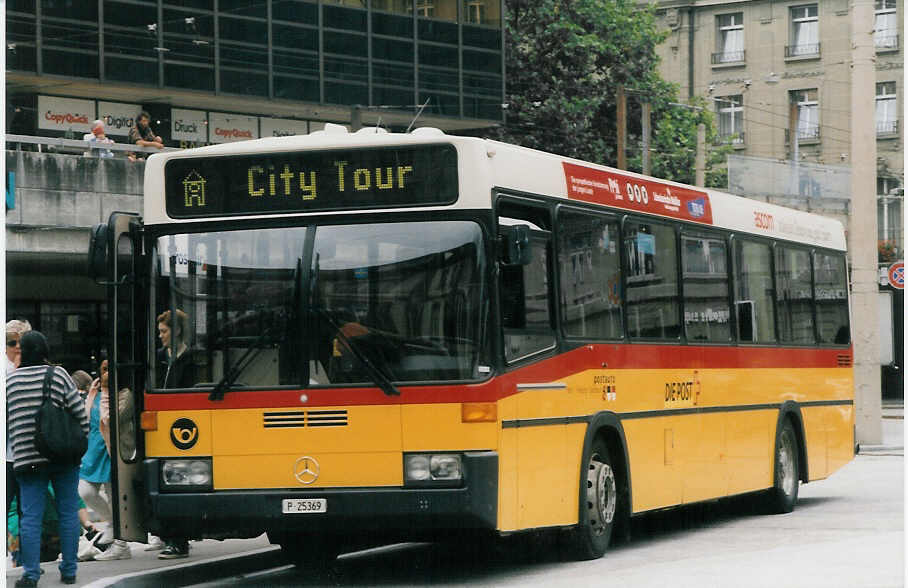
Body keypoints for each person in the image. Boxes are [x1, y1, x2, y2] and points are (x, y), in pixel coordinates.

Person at [6, 331, 88, 586]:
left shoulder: (10, 382)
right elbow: (80, 415)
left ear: (23, 352)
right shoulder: (58, 375)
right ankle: (69, 570)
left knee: (30, 516)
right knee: (67, 512)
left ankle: (30, 574)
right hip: (63, 457)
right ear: (45, 351)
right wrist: (75, 446)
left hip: (27, 459)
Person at [77, 359, 132, 561]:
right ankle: (111, 523)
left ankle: (121, 545)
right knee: (85, 491)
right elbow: (84, 417)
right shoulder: (96, 395)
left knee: (114, 496)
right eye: (104, 370)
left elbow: (110, 419)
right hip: (93, 450)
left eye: (111, 370)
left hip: (112, 450)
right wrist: (92, 394)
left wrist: (107, 392)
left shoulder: (125, 395)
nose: (107, 374)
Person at [155, 310, 193, 559]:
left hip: (184, 423)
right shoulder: (159, 357)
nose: (160, 337)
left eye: (164, 331)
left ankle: (178, 540)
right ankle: (170, 537)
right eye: (159, 332)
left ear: (177, 330)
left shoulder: (191, 357)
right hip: (163, 422)